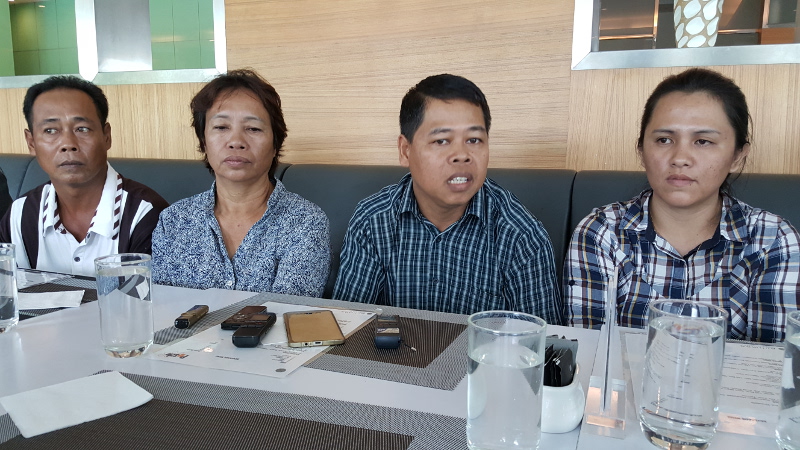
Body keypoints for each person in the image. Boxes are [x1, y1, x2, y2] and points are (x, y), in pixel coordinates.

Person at [564, 68, 800, 343]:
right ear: (641, 150)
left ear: (738, 156)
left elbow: (772, 367)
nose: (680, 158)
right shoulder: (601, 232)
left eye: (703, 141)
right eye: (664, 140)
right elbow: (591, 355)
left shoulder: (773, 241)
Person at [333, 74, 562, 321]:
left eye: (474, 140)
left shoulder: (521, 236)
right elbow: (347, 325)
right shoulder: (373, 220)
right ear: (405, 151)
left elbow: (542, 346)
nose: (461, 155)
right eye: (441, 140)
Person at [152, 69, 330, 296]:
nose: (236, 141)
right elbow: (164, 309)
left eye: (253, 129)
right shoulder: (174, 221)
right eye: (221, 127)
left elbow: (289, 316)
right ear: (203, 141)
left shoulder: (306, 223)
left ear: (275, 144)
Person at [0, 76, 168, 277]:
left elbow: (148, 304)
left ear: (107, 136)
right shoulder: (20, 214)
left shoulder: (147, 215)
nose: (68, 143)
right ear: (31, 142)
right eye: (50, 130)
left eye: (82, 129)